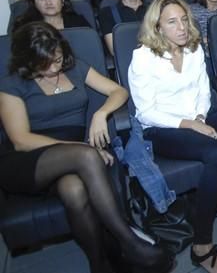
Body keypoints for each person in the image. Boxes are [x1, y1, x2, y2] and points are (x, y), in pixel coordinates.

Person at [0, 22, 173, 273]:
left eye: (57, 59)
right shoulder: (11, 84)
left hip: (73, 157)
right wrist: (82, 149)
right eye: (44, 63)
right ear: (28, 61)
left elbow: (118, 91)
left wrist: (101, 114)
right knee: (85, 156)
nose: (54, 67)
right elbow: (21, 139)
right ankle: (129, 241)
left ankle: (99, 264)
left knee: (74, 189)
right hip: (29, 160)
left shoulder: (75, 68)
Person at [128, 0, 217, 273]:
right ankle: (202, 247)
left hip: (199, 115)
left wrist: (199, 117)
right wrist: (189, 124)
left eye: (184, 19)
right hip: (162, 128)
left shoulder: (193, 49)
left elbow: (203, 90)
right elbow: (145, 112)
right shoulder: (144, 57)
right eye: (172, 22)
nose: (182, 27)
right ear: (157, 27)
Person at [13, 0, 90, 32]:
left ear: (62, 1)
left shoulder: (79, 22)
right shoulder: (24, 27)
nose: (48, 2)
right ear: (34, 4)